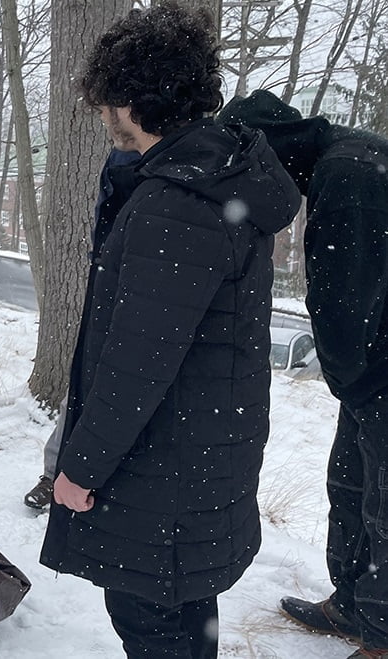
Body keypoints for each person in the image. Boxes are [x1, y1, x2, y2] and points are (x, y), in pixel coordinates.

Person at [38, 3, 300, 657]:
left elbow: (137, 360)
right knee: (184, 616)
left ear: (132, 98)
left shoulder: (177, 203)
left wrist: (78, 467)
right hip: (197, 453)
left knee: (150, 619)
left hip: (167, 468)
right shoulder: (214, 176)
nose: (102, 115)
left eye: (107, 100)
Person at [218, 89, 388, 659]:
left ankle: (382, 636)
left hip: (380, 371)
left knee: (382, 500)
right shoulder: (343, 159)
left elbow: (341, 299)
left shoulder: (348, 175)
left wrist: (353, 381)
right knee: (351, 484)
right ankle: (354, 602)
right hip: (375, 369)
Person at [23, 148, 141, 511]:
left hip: (150, 289)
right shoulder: (123, 155)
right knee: (83, 387)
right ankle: (54, 473)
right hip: (112, 279)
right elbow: (107, 215)